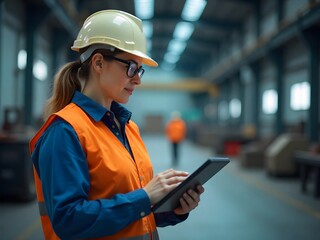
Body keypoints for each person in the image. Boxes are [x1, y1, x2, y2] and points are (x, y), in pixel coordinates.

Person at [29, 10, 204, 240]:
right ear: (99, 62)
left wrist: (173, 209)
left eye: (140, 69)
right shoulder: (65, 130)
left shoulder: (129, 128)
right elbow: (68, 220)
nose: (138, 79)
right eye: (131, 67)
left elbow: (135, 212)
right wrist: (145, 197)